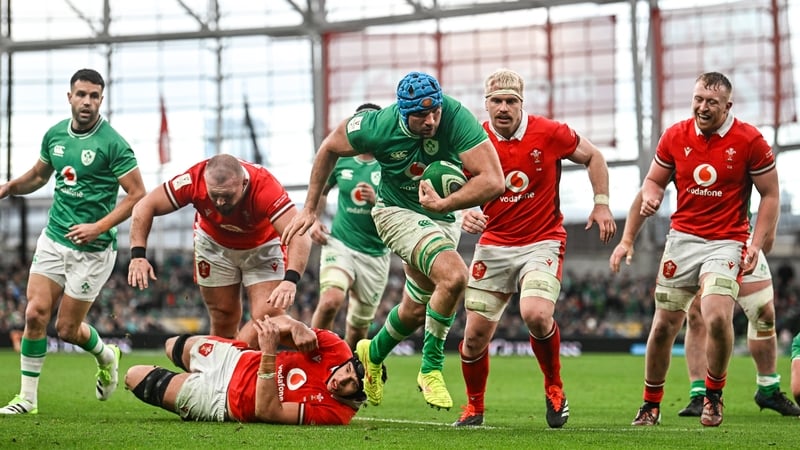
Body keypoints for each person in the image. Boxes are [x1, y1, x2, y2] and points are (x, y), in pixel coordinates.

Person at [282, 71, 505, 410]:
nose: (430, 121)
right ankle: (431, 368)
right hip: (394, 212)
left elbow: (494, 180)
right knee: (455, 276)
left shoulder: (456, 116)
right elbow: (329, 147)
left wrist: (452, 205)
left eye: (435, 112)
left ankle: (371, 353)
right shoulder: (376, 126)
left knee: (415, 310)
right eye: (420, 115)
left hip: (442, 217)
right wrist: (310, 208)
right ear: (402, 111)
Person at [609, 72, 780, 427]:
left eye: (711, 102)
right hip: (682, 241)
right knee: (662, 327)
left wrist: (757, 242)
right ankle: (650, 403)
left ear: (727, 106)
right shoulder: (675, 135)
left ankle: (713, 397)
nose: (702, 107)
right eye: (698, 98)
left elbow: (771, 195)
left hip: (727, 241)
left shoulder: (750, 141)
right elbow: (653, 182)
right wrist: (647, 206)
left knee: (717, 315)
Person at [452, 69, 616, 428]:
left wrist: (601, 203)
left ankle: (554, 386)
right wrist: (464, 210)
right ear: (487, 104)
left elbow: (594, 156)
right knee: (475, 336)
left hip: (542, 240)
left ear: (521, 104)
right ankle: (474, 408)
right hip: (494, 243)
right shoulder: (472, 139)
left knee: (536, 315)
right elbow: (453, 180)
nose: (504, 108)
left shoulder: (550, 132)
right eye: (496, 101)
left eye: (511, 101)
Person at [0, 68, 147, 414]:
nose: (87, 102)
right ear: (70, 97)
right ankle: (27, 400)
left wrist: (98, 227)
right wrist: (10, 186)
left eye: (94, 96)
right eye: (81, 94)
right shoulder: (55, 136)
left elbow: (137, 193)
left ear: (101, 99)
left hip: (93, 250)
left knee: (66, 329)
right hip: (54, 238)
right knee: (35, 314)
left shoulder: (113, 143)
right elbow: (39, 175)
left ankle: (106, 355)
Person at [127, 154, 312, 346]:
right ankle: (225, 368)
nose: (220, 202)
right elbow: (144, 206)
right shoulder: (194, 179)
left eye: (227, 196)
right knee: (223, 317)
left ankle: (241, 365)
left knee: (268, 317)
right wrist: (138, 255)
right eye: (214, 195)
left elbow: (300, 234)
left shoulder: (265, 186)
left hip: (262, 247)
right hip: (214, 245)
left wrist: (291, 280)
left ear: (243, 183)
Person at [124, 314, 367, 425]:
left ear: (357, 397)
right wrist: (294, 324)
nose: (341, 380)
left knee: (133, 376)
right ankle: (186, 374)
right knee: (171, 345)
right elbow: (273, 324)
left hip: (222, 400)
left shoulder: (336, 414)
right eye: (346, 371)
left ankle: (185, 384)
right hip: (234, 358)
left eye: (351, 385)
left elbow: (267, 411)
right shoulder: (337, 349)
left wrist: (270, 353)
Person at [309, 103, 392, 350]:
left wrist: (378, 200)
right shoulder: (341, 159)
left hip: (375, 253)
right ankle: (314, 361)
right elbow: (322, 191)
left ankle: (348, 369)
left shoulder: (390, 163)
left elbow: (405, 204)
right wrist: (314, 218)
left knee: (357, 328)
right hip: (341, 243)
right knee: (330, 302)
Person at [677, 254, 800, 417]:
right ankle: (700, 394)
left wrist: (760, 243)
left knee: (764, 312)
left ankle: (768, 389)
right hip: (701, 239)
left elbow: (769, 229)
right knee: (697, 315)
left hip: (743, 240)